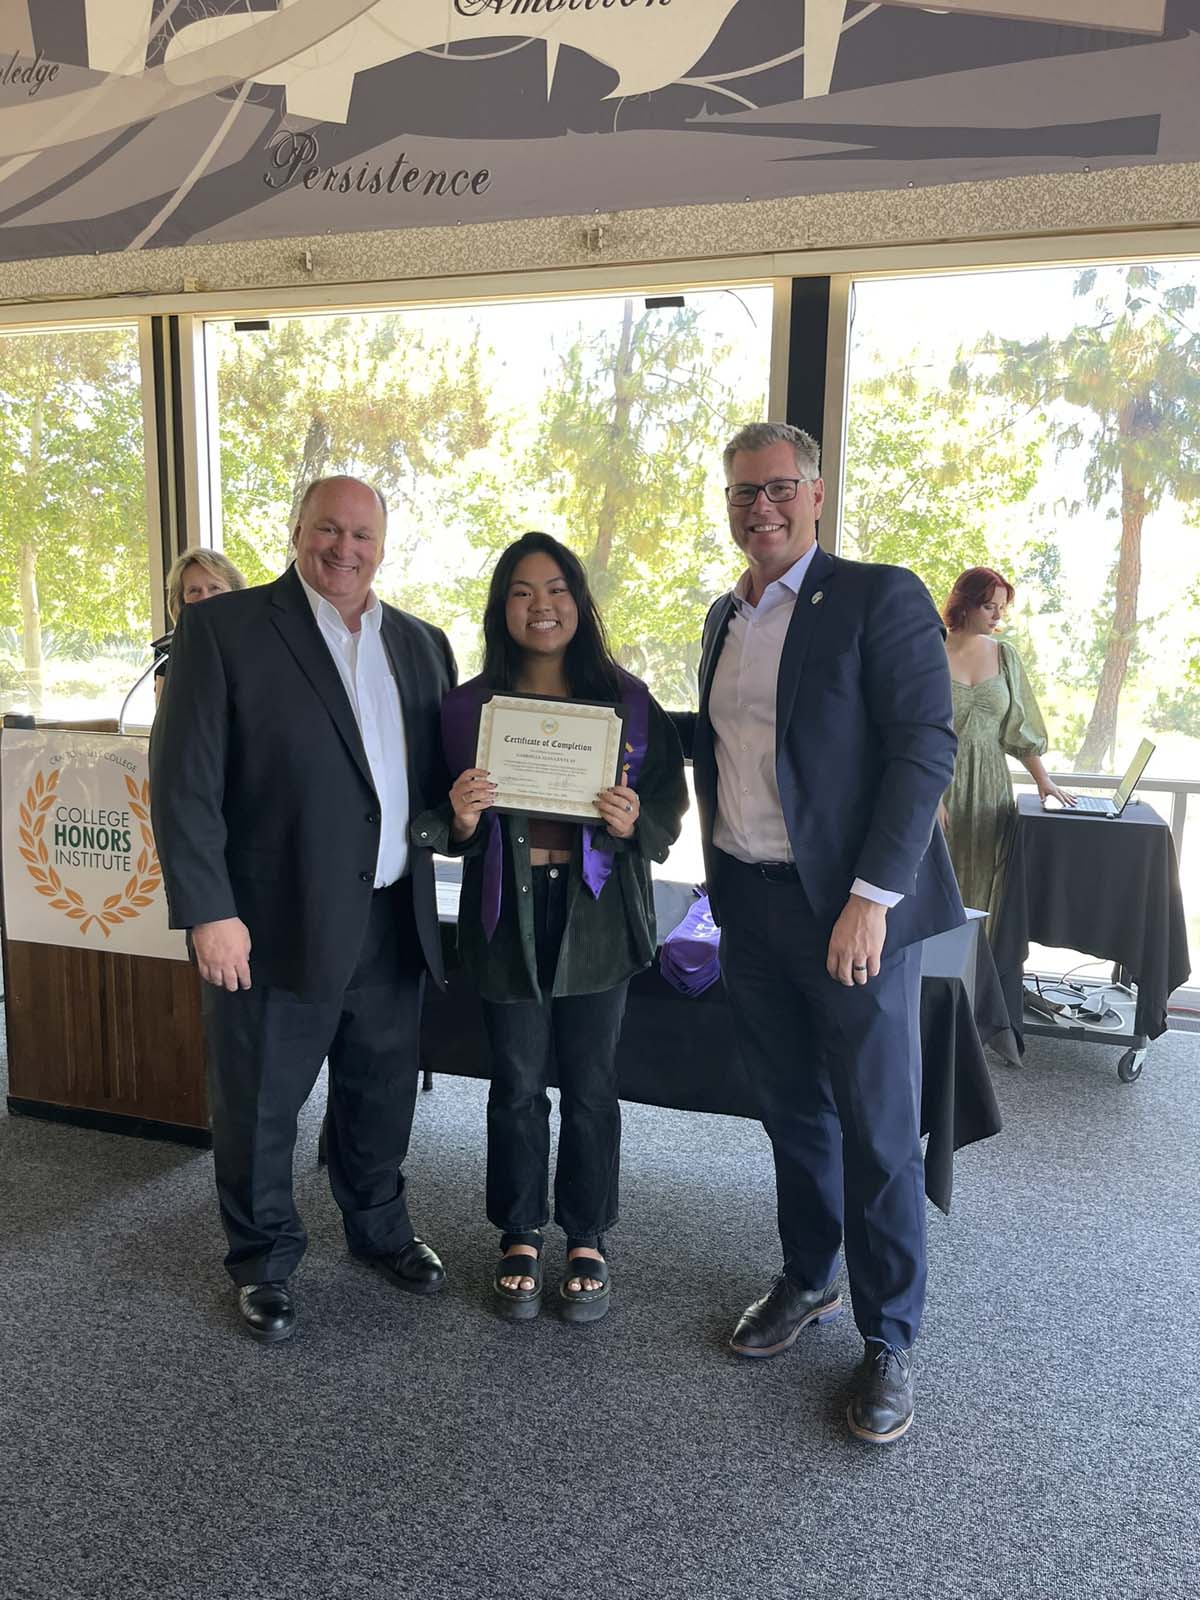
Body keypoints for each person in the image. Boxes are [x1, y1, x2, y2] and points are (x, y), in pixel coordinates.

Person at [680, 421, 963, 1445]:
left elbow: (925, 748)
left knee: (879, 1125)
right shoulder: (724, 615)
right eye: (742, 492)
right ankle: (810, 1277)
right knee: (792, 1108)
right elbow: (716, 744)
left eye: (778, 488)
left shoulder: (878, 595)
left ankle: (890, 1334)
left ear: (815, 491)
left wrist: (870, 896)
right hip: (746, 902)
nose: (760, 506)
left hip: (851, 912)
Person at [150, 475, 456, 1343]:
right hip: (268, 926)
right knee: (258, 1104)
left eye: (362, 535)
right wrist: (209, 911)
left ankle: (378, 1228)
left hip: (394, 920)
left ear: (384, 545)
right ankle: (264, 1260)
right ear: (295, 532)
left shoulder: (423, 645)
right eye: (328, 530)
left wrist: (458, 817)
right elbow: (185, 785)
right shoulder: (224, 630)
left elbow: (425, 790)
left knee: (381, 1091)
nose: (344, 549)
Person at [412, 532, 687, 1323]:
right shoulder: (466, 709)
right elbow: (434, 813)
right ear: (503, 607)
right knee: (518, 1083)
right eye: (524, 591)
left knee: (593, 1085)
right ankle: (520, 1231)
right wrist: (460, 819)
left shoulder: (628, 702)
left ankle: (588, 1233)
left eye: (558, 588)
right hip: (508, 914)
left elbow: (669, 802)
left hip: (598, 913)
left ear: (580, 600)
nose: (543, 605)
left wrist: (636, 822)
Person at [941, 566, 1074, 918]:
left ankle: (979, 970)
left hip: (991, 788)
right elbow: (911, 730)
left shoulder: (1004, 656)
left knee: (988, 884)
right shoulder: (928, 651)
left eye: (1002, 607)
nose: (998, 615)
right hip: (939, 782)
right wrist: (927, 797)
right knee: (935, 884)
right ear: (964, 605)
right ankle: (928, 973)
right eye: (989, 607)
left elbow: (1018, 727)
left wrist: (1043, 780)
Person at [155, 549, 246, 699]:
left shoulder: (257, 641)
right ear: (182, 601)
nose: (205, 598)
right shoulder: (168, 649)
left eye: (215, 588)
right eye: (194, 591)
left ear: (236, 592)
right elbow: (164, 714)